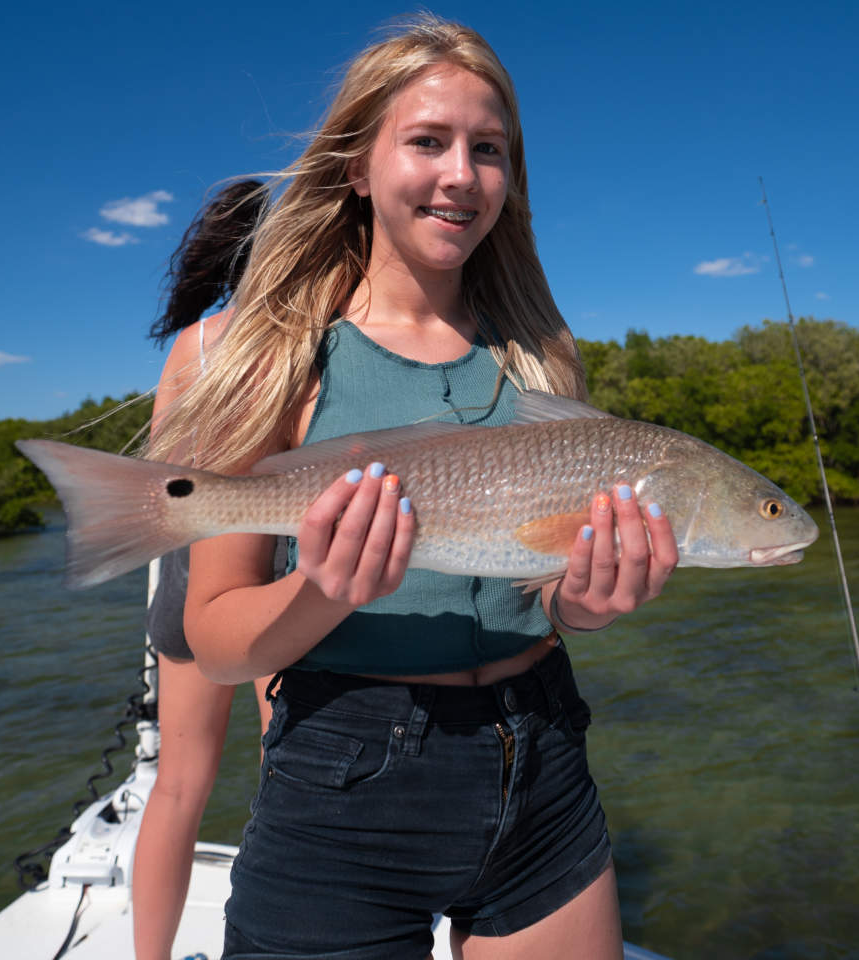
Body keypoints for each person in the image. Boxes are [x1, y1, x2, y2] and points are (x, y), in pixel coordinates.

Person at [147, 16, 679, 960]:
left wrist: (588, 604)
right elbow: (215, 642)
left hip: (545, 762)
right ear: (357, 167)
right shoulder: (264, 355)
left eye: (489, 150)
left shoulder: (542, 356)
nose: (460, 174)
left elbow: (549, 594)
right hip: (342, 783)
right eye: (427, 142)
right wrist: (325, 586)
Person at [131, 179, 273, 960]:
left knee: (178, 787)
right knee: (285, 775)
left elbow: (161, 483)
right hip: (273, 575)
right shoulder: (314, 342)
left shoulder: (199, 345)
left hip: (189, 575)